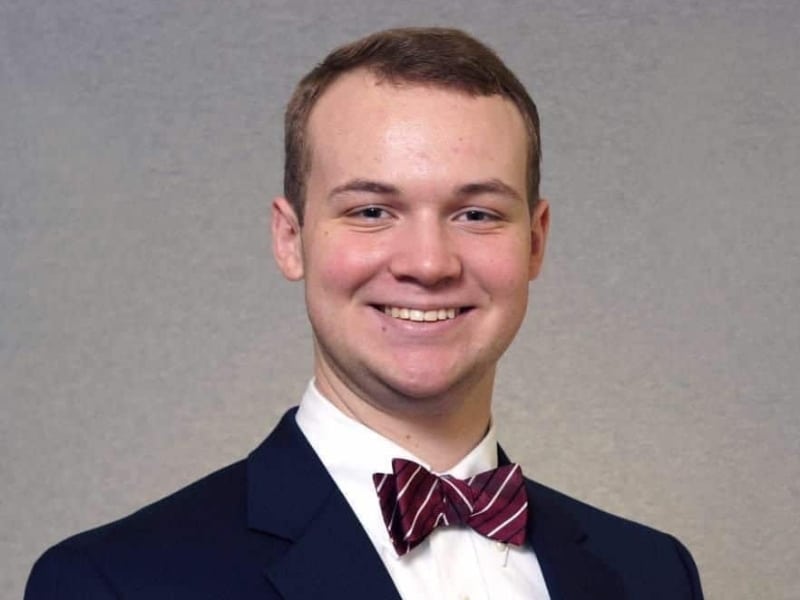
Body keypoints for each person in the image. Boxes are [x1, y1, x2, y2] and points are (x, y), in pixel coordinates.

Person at [25, 27, 704, 599]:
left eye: (476, 213)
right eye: (371, 211)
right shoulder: (112, 582)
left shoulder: (653, 575)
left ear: (534, 241)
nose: (428, 263)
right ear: (291, 239)